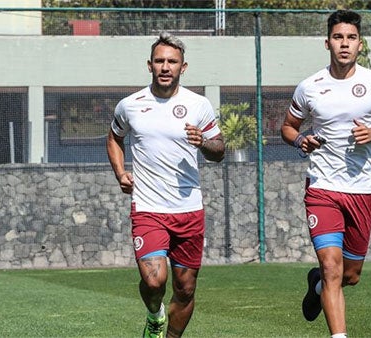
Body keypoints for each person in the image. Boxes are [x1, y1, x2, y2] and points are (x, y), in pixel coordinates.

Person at [280, 9, 371, 338]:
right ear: (327, 43)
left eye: (351, 38)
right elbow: (287, 126)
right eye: (338, 37)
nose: (344, 44)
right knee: (332, 266)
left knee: (349, 275)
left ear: (360, 44)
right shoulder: (310, 87)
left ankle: (317, 286)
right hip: (322, 188)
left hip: (361, 190)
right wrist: (299, 140)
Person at [106, 32, 225, 338]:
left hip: (189, 210)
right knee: (154, 281)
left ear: (183, 67)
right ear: (150, 65)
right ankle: (154, 313)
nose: (165, 67)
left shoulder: (198, 105)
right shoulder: (130, 105)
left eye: (172, 61)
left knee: (185, 288)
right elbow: (114, 138)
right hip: (148, 208)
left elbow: (220, 150)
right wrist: (120, 172)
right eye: (159, 60)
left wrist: (204, 143)